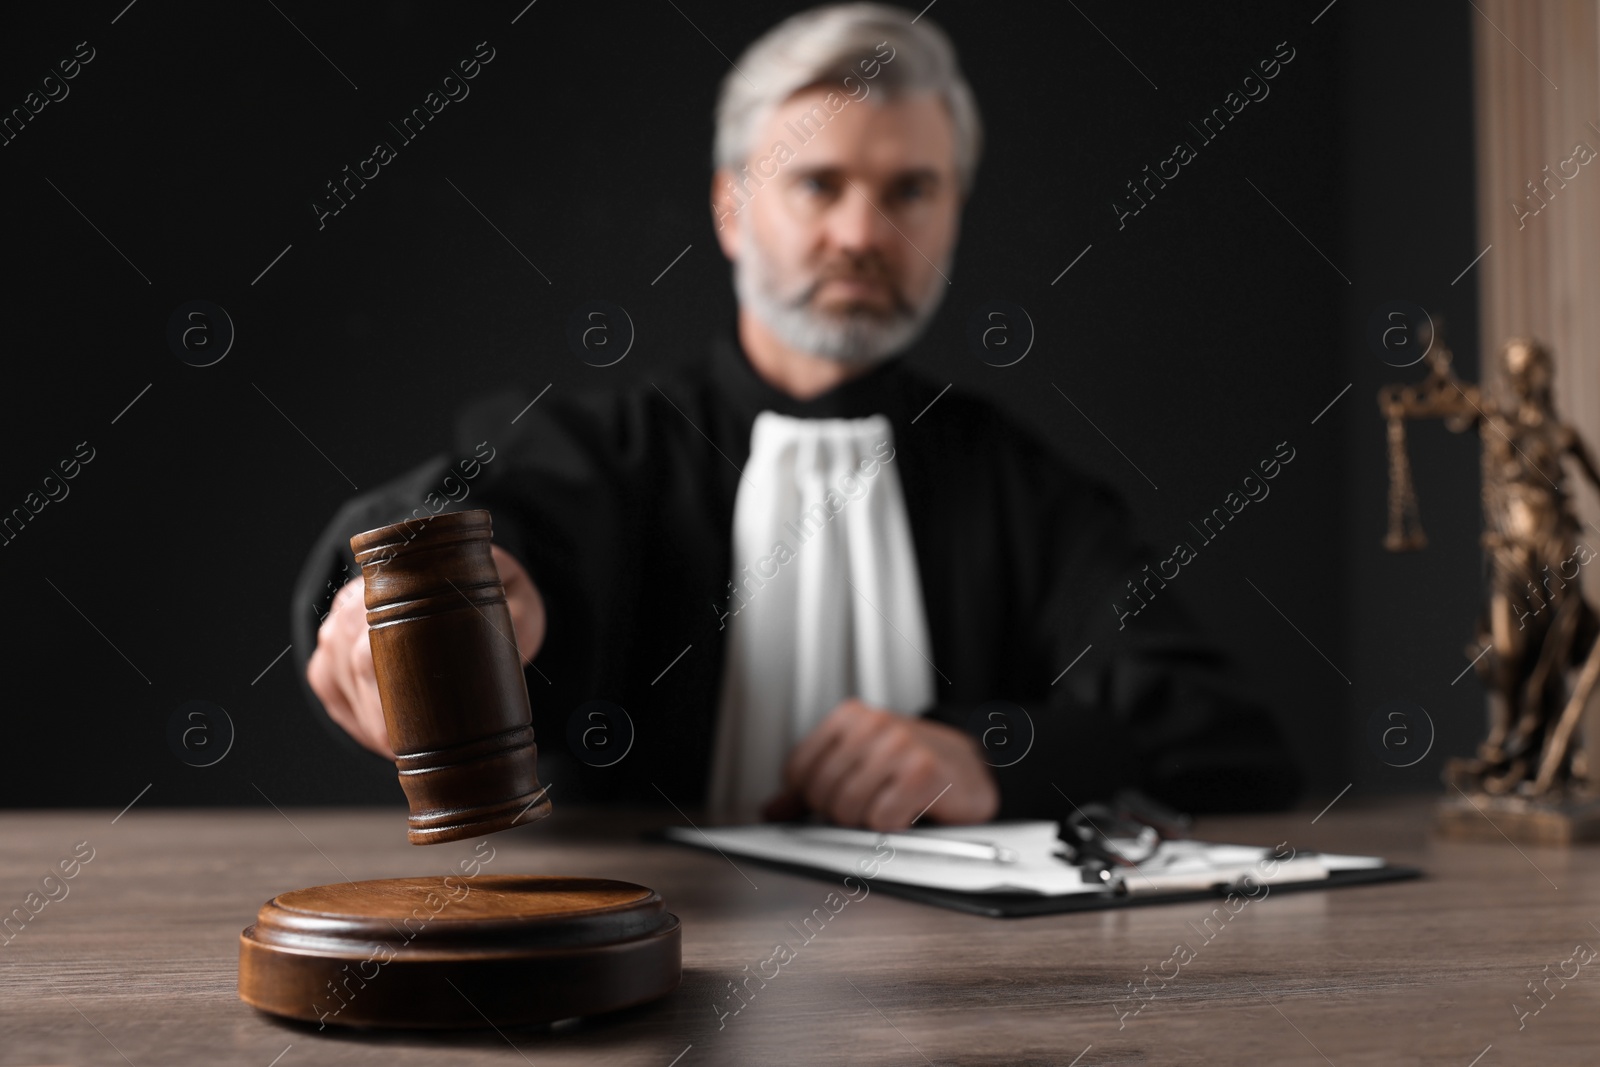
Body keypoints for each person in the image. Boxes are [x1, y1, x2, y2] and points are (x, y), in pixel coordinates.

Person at [295, 3, 1300, 830]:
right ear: (732, 209)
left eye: (911, 190)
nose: (862, 233)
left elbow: (1228, 736)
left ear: (954, 212)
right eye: (819, 183)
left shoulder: (1017, 484)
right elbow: (493, 509)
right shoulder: (611, 448)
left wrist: (998, 754)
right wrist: (450, 592)